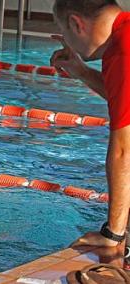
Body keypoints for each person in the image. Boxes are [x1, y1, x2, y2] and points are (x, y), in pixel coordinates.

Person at [50, 0, 130, 247]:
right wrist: (82, 72)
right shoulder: (124, 35)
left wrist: (112, 235)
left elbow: (123, 151)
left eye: (64, 32)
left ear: (76, 23)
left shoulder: (124, 51)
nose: (66, 39)